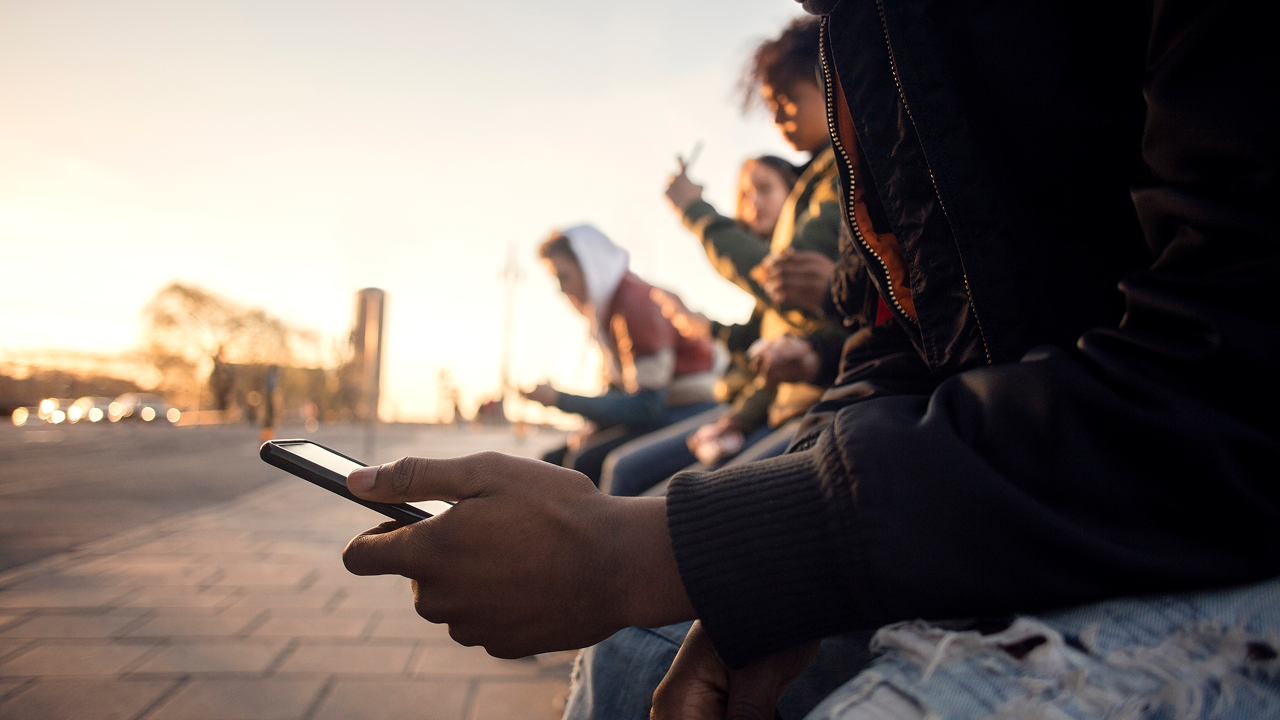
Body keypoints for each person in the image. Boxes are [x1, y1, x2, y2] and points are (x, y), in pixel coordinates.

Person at [340, 0, 1279, 718]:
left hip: (1198, 480)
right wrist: (758, 573)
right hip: (1010, 461)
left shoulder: (664, 287)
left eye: (786, 113)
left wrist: (659, 548)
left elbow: (1236, 367)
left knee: (633, 475)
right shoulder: (870, 36)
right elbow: (898, 342)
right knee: (633, 661)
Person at [600, 155, 805, 497]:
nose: (752, 202)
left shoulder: (799, 260)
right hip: (743, 404)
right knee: (622, 468)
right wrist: (705, 327)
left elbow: (784, 360)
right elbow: (754, 343)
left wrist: (694, 208)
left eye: (765, 189)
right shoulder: (767, 289)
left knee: (651, 492)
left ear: (795, 193)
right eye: (744, 194)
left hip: (767, 409)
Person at [523, 225, 720, 484]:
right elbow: (622, 392)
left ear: (590, 267)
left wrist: (559, 398)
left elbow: (647, 405)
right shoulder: (609, 310)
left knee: (594, 464)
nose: (561, 290)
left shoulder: (635, 305)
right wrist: (596, 424)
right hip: (665, 407)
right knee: (553, 460)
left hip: (693, 408)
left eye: (564, 277)